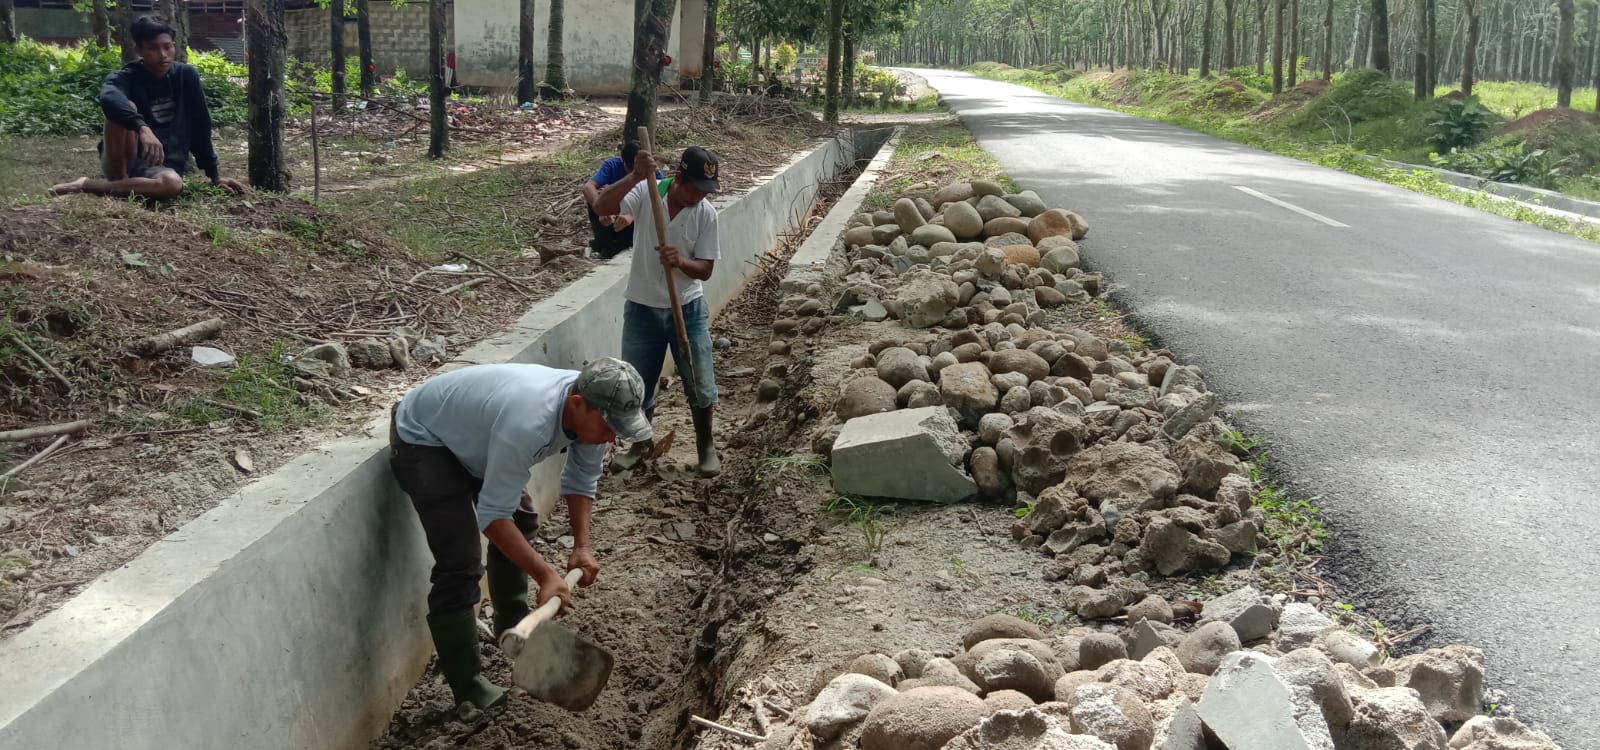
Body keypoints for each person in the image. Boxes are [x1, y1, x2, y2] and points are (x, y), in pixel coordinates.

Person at [388, 357, 652, 710]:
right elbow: (493, 517)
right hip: (425, 437)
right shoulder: (529, 422)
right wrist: (545, 575)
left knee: (523, 522)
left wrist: (582, 547)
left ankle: (512, 626)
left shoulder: (593, 405)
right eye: (610, 427)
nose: (612, 436)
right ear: (576, 404)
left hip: (475, 437)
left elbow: (581, 479)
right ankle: (468, 686)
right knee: (461, 562)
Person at [591, 145, 722, 477]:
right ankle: (640, 443)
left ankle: (706, 446)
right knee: (637, 382)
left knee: (700, 379)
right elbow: (602, 205)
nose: (699, 196)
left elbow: (705, 269)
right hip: (642, 308)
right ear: (678, 178)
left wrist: (682, 262)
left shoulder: (706, 214)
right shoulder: (646, 192)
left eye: (707, 190)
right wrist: (635, 175)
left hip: (687, 308)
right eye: (695, 189)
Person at [51, 15, 245, 200]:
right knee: (125, 107)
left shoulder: (186, 76)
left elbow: (200, 125)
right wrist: (141, 127)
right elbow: (109, 98)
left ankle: (87, 185)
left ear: (174, 45)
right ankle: (121, 182)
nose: (162, 55)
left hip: (163, 165)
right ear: (139, 50)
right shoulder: (126, 77)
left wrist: (214, 175)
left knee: (172, 184)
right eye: (153, 48)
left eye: (167, 47)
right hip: (125, 159)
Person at [580, 141, 658, 260]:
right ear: (625, 164)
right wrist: (601, 209)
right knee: (595, 198)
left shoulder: (653, 172)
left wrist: (631, 216)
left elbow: (656, 202)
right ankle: (603, 243)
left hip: (634, 217)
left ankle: (616, 247)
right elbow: (588, 187)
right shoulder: (612, 165)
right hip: (612, 213)